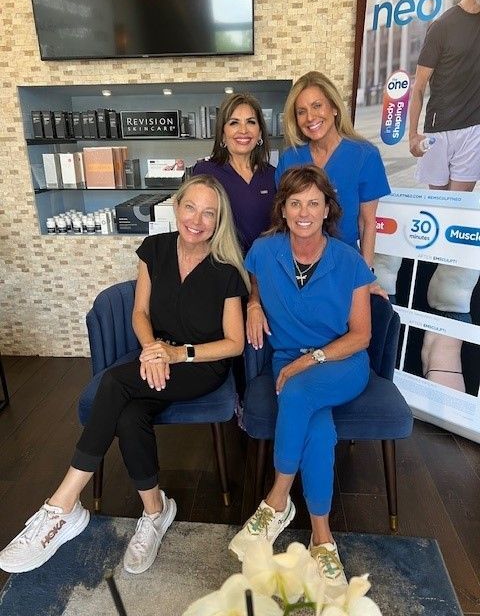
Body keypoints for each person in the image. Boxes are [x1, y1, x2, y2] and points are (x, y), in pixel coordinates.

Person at [0, 175, 249, 576]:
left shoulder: (226, 270)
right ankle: (156, 511)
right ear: (176, 206)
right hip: (157, 354)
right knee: (130, 414)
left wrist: (176, 353)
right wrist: (153, 349)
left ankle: (62, 505)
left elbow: (234, 343)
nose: (197, 220)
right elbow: (139, 313)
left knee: (115, 382)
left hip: (200, 365)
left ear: (219, 220)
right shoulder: (154, 249)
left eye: (209, 213)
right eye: (190, 207)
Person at [228, 165, 375, 586]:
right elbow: (254, 283)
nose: (304, 211)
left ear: (327, 207)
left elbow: (362, 335)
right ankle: (322, 537)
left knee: (295, 393)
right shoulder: (264, 249)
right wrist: (254, 303)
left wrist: (309, 362)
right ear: (284, 209)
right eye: (296, 203)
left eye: (314, 202)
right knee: (321, 431)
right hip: (288, 357)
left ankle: (276, 502)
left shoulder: (348, 260)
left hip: (341, 361)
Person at [275, 71, 390, 278]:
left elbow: (367, 222)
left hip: (344, 267)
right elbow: (283, 220)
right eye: (301, 111)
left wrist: (365, 276)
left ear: (334, 108)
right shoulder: (289, 158)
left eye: (317, 106)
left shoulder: (365, 155)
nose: (310, 117)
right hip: (296, 266)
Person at [409, 0, 480, 191]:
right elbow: (419, 86)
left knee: (457, 206)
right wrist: (412, 135)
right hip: (438, 130)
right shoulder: (442, 26)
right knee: (437, 206)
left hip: (473, 130)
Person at [193, 92, 276, 252]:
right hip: (221, 269)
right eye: (234, 123)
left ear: (259, 133)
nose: (243, 130)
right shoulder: (205, 172)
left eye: (251, 122)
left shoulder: (272, 175)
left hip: (263, 268)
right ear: (223, 133)